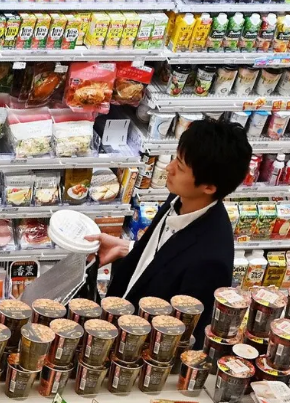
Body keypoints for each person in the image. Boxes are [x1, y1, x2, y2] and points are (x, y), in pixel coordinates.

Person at [86, 119, 252, 345]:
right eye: (175, 158)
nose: (169, 168)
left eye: (181, 167)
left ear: (209, 187)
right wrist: (127, 248)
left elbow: (183, 336)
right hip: (117, 321)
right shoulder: (180, 198)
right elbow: (167, 254)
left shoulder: (210, 260)